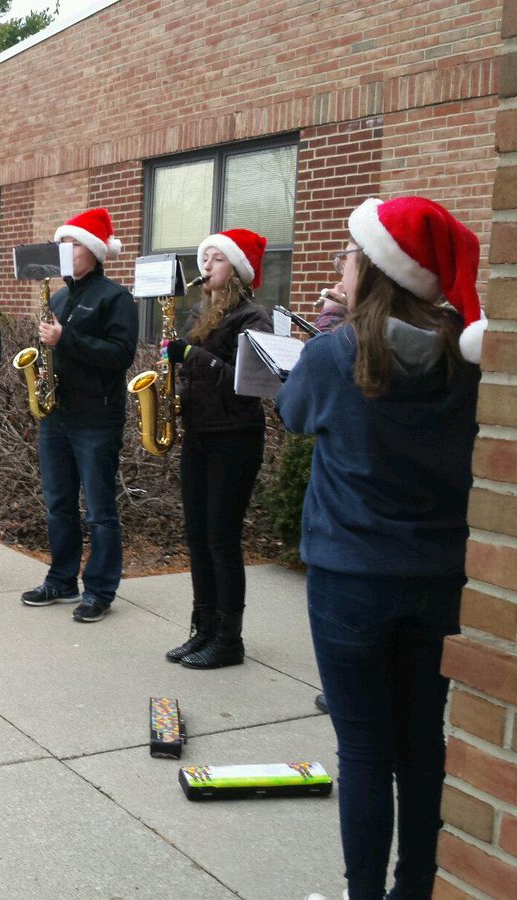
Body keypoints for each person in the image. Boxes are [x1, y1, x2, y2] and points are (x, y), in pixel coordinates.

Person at [276, 197, 483, 900]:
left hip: (350, 578)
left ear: (376, 269)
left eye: (352, 255)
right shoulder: (466, 354)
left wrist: (328, 330)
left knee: (363, 750)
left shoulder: (338, 351)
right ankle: (415, 889)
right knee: (422, 745)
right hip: (440, 576)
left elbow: (293, 413)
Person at [18, 207, 138, 623]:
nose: (64, 250)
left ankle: (101, 589)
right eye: (63, 243)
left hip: (96, 418)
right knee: (58, 504)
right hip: (57, 415)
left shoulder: (115, 297)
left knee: (100, 510)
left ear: (92, 250)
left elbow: (120, 356)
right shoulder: (59, 296)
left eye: (71, 243)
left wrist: (67, 338)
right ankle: (62, 578)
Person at [161, 228, 272, 668]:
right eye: (203, 258)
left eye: (216, 258)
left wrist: (191, 357)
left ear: (238, 270)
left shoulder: (253, 317)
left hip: (236, 438)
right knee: (196, 537)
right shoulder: (199, 314)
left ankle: (229, 640)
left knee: (221, 539)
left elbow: (247, 387)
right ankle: (203, 627)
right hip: (201, 436)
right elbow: (193, 375)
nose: (205, 266)